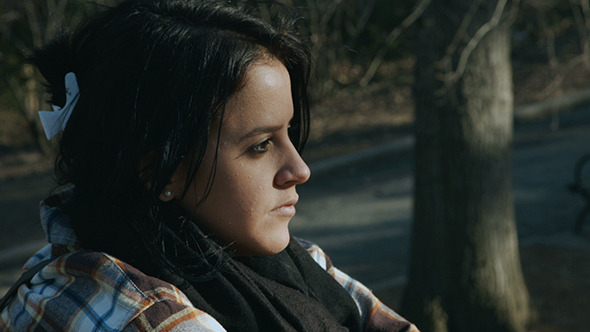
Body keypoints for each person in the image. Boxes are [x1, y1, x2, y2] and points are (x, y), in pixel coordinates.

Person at [0, 0, 419, 331]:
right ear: (158, 171)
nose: (299, 168)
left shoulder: (290, 265)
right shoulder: (136, 314)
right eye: (260, 145)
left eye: (289, 132)